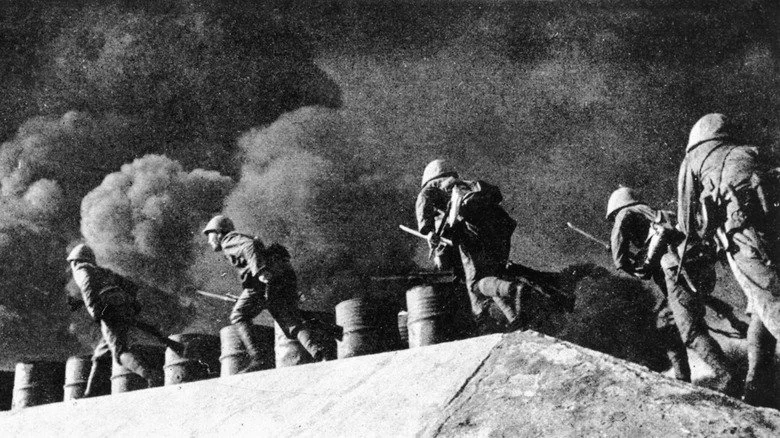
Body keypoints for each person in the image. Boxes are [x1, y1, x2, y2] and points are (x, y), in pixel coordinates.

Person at [677, 113, 780, 406]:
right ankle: (756, 387)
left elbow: (686, 222)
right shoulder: (748, 151)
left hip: (742, 236)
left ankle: (756, 387)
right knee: (760, 307)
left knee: (772, 303)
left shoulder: (693, 159)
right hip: (773, 229)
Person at [415, 159, 574, 334]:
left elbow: (424, 200)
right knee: (493, 277)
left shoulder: (434, 186)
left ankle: (515, 289)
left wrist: (428, 231)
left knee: (477, 283)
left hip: (475, 227)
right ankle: (515, 320)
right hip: (500, 227)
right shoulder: (467, 185)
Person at [606, 186, 735, 394]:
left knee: (691, 332)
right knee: (665, 323)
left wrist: (631, 264)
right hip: (696, 267)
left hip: (678, 269)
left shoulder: (625, 213)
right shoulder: (660, 215)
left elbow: (619, 259)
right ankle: (682, 381)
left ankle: (728, 377)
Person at [202, 215, 328, 372]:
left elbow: (249, 245)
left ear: (219, 232)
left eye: (210, 235)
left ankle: (258, 358)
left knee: (238, 315)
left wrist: (260, 271)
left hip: (263, 283)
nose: (209, 240)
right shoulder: (235, 238)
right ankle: (320, 353)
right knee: (290, 323)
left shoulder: (228, 240)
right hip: (278, 279)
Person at [67, 244, 163, 396]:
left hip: (109, 312)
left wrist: (97, 313)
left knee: (120, 354)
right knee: (101, 354)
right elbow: (130, 285)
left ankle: (151, 376)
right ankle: (90, 394)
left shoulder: (81, 270)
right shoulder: (101, 271)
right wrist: (127, 304)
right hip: (119, 308)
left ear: (75, 261)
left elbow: (88, 289)